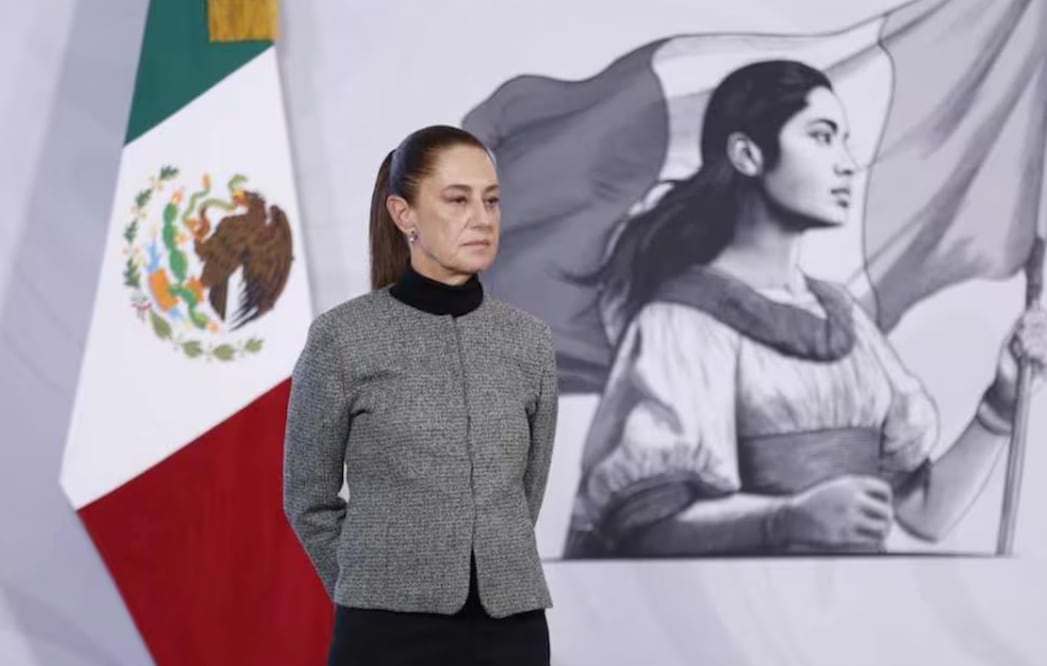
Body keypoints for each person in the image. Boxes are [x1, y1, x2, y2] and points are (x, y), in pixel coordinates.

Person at [563, 60, 1047, 558]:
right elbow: (644, 530)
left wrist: (1002, 404)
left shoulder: (846, 319)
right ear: (747, 154)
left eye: (843, 139)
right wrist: (785, 520)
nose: (845, 162)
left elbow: (925, 513)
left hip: (848, 622)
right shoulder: (681, 323)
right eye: (822, 136)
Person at [284, 125, 558, 664]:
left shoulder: (529, 341)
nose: (481, 217)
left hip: (513, 628)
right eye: (457, 199)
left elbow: (524, 493)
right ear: (403, 214)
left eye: (492, 200)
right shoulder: (343, 337)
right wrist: (373, 582)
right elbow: (307, 499)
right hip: (385, 633)